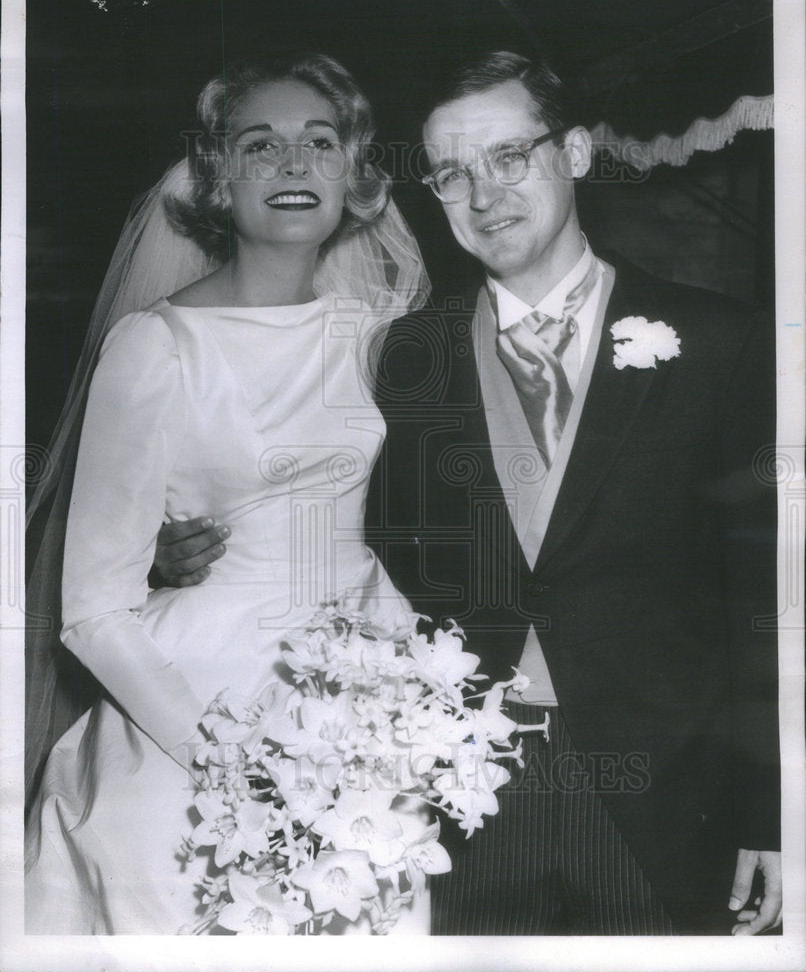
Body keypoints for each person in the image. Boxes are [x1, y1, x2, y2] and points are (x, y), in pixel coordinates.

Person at [155, 51, 781, 936]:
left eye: (509, 158)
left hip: (671, 797)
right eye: (453, 174)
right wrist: (172, 550)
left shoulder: (724, 341)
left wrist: (771, 809)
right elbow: (332, 536)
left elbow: (769, 594)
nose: (484, 196)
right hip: (464, 801)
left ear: (573, 154)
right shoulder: (402, 359)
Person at [24, 52, 430, 934]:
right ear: (217, 180)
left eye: (320, 142)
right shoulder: (154, 344)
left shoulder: (383, 334)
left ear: (353, 174)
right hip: (192, 709)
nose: (292, 164)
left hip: (364, 694)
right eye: (260, 145)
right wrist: (233, 764)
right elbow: (92, 610)